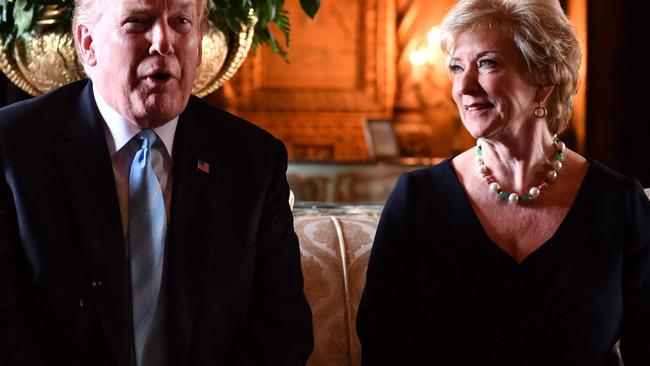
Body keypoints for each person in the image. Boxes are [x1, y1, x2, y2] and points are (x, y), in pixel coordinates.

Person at [0, 0, 313, 364]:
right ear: (87, 44)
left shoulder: (252, 161)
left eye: (181, 21)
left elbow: (282, 329)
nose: (163, 41)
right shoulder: (13, 149)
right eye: (137, 22)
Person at [357, 0, 650, 365]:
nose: (463, 86)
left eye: (487, 63)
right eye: (456, 67)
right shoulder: (418, 198)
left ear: (545, 79)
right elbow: (384, 346)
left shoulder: (619, 202)